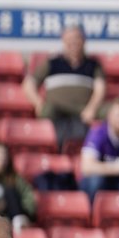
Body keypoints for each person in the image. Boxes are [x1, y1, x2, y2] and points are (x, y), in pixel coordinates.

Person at [21, 24, 106, 152]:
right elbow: (29, 84)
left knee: (115, 112)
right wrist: (38, 102)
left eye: (77, 39)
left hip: (83, 110)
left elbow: (100, 88)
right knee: (47, 110)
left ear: (83, 41)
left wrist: (92, 108)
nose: (73, 43)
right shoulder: (52, 62)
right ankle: (57, 149)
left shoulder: (93, 65)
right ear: (63, 41)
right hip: (56, 110)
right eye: (69, 39)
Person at [0, 142, 37, 231]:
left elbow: (29, 198)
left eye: (3, 154)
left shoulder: (15, 178)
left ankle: (18, 220)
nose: (0, 157)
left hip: (11, 217)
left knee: (9, 191)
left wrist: (26, 213)